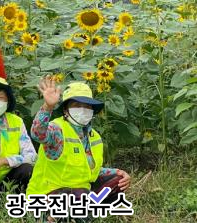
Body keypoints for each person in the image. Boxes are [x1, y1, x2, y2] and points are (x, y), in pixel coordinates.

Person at [27, 78, 131, 207]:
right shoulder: (57, 129)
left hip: (81, 192)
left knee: (118, 180)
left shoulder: (94, 136)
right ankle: (52, 214)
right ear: (65, 110)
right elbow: (37, 134)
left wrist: (118, 172)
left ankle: (88, 207)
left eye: (87, 106)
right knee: (79, 194)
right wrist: (48, 107)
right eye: (76, 105)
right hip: (49, 193)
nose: (82, 110)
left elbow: (89, 170)